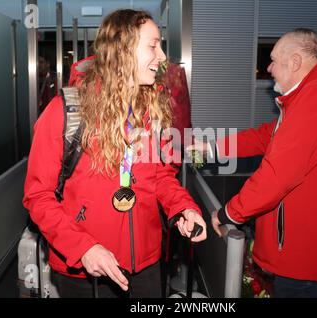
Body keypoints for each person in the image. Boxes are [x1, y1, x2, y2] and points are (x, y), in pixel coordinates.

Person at [23, 9, 207, 298]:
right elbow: (38, 197)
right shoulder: (65, 113)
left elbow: (160, 178)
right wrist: (82, 247)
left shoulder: (152, 113)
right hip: (85, 271)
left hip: (146, 265)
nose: (161, 57)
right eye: (152, 45)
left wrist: (183, 207)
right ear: (122, 49)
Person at [189, 28, 317, 297]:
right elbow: (268, 136)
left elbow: (277, 175)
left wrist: (229, 214)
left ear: (296, 62)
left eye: (275, 60)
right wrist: (213, 147)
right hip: (316, 260)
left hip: (315, 269)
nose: (269, 67)